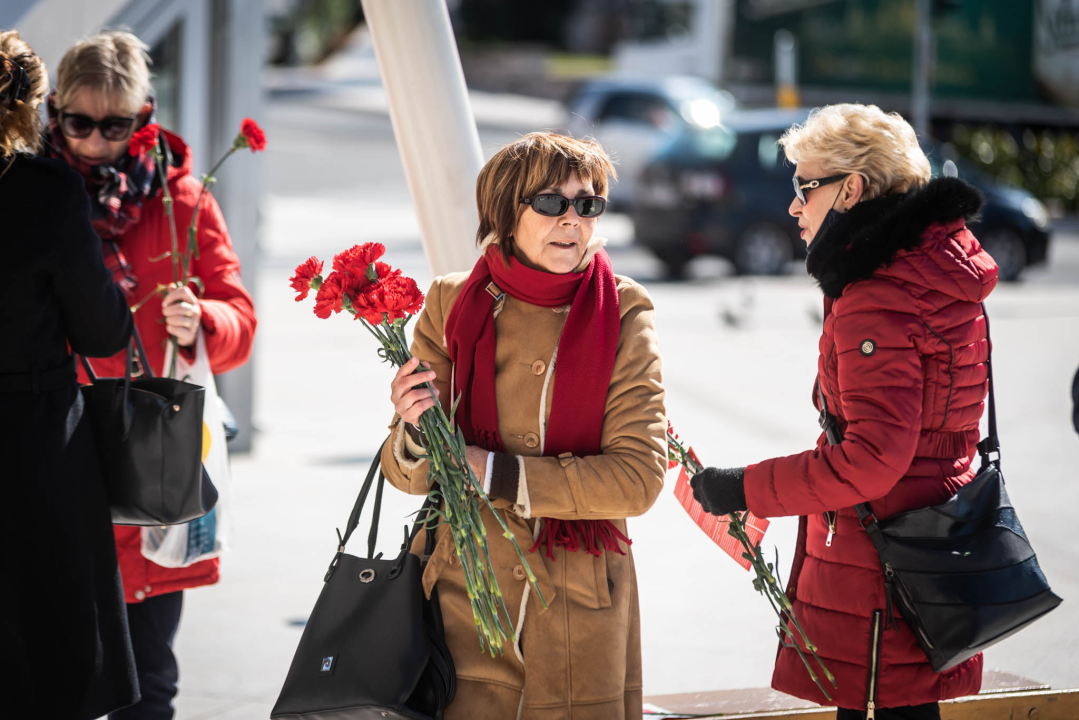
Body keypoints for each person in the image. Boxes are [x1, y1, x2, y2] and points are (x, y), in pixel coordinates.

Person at [690, 104, 997, 720]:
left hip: (886, 569)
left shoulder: (878, 295)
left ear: (852, 189)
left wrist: (745, 487)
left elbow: (871, 460)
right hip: (937, 545)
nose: (793, 206)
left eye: (804, 187)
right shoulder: (930, 270)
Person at [383, 132, 666, 720]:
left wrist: (495, 472)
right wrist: (414, 429)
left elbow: (638, 479)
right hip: (461, 596)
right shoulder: (449, 303)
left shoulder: (625, 310)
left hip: (574, 607)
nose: (572, 220)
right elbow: (408, 477)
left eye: (587, 205)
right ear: (506, 212)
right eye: (551, 203)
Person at [46, 30, 257, 719]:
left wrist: (206, 322)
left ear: (146, 117)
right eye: (80, 123)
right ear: (53, 111)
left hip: (151, 459)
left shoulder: (184, 202)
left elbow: (239, 322)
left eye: (117, 125)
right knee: (55, 677)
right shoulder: (31, 202)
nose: (97, 141)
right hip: (55, 448)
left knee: (147, 685)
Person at [0, 30, 139, 719]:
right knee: (51, 659)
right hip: (33, 446)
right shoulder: (44, 193)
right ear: (30, 107)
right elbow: (102, 330)